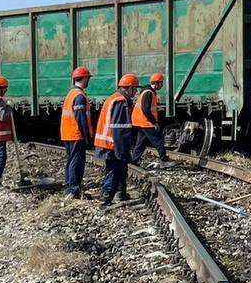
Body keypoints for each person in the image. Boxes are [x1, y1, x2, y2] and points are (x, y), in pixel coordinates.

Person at [94, 73, 138, 206]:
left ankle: (121, 193)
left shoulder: (114, 98)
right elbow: (119, 127)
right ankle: (106, 198)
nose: (135, 92)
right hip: (112, 143)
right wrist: (121, 150)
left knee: (121, 168)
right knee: (115, 169)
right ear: (128, 88)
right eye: (134, 89)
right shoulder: (120, 101)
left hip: (110, 142)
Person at [60, 66, 94, 198]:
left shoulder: (70, 93)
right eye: (88, 78)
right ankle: (73, 189)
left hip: (68, 133)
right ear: (84, 78)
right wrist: (86, 136)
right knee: (76, 161)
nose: (88, 81)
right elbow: (80, 118)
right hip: (75, 133)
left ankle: (69, 186)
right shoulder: (79, 96)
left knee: (71, 160)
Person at [130, 72, 169, 165]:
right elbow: (145, 109)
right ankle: (164, 160)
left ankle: (133, 161)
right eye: (161, 83)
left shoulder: (147, 92)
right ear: (156, 83)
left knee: (141, 143)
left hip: (140, 121)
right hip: (145, 122)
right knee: (158, 140)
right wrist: (154, 122)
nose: (162, 85)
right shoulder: (148, 93)